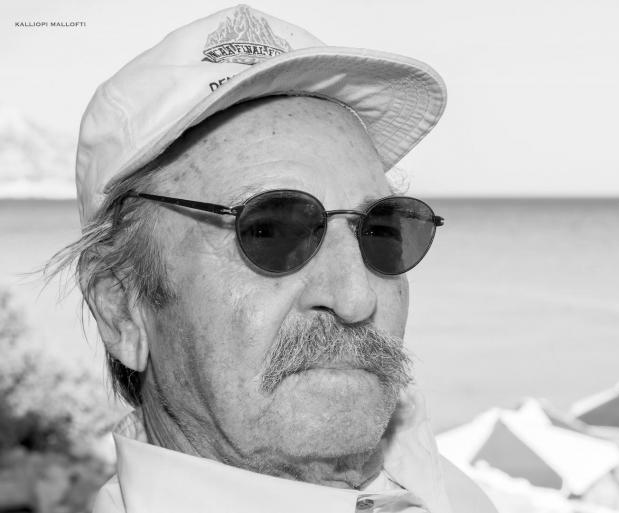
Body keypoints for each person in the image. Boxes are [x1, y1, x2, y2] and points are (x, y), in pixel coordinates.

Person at [51, 5, 497, 513]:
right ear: (121, 308)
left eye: (380, 230)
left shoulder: (456, 493)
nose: (356, 298)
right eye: (267, 231)